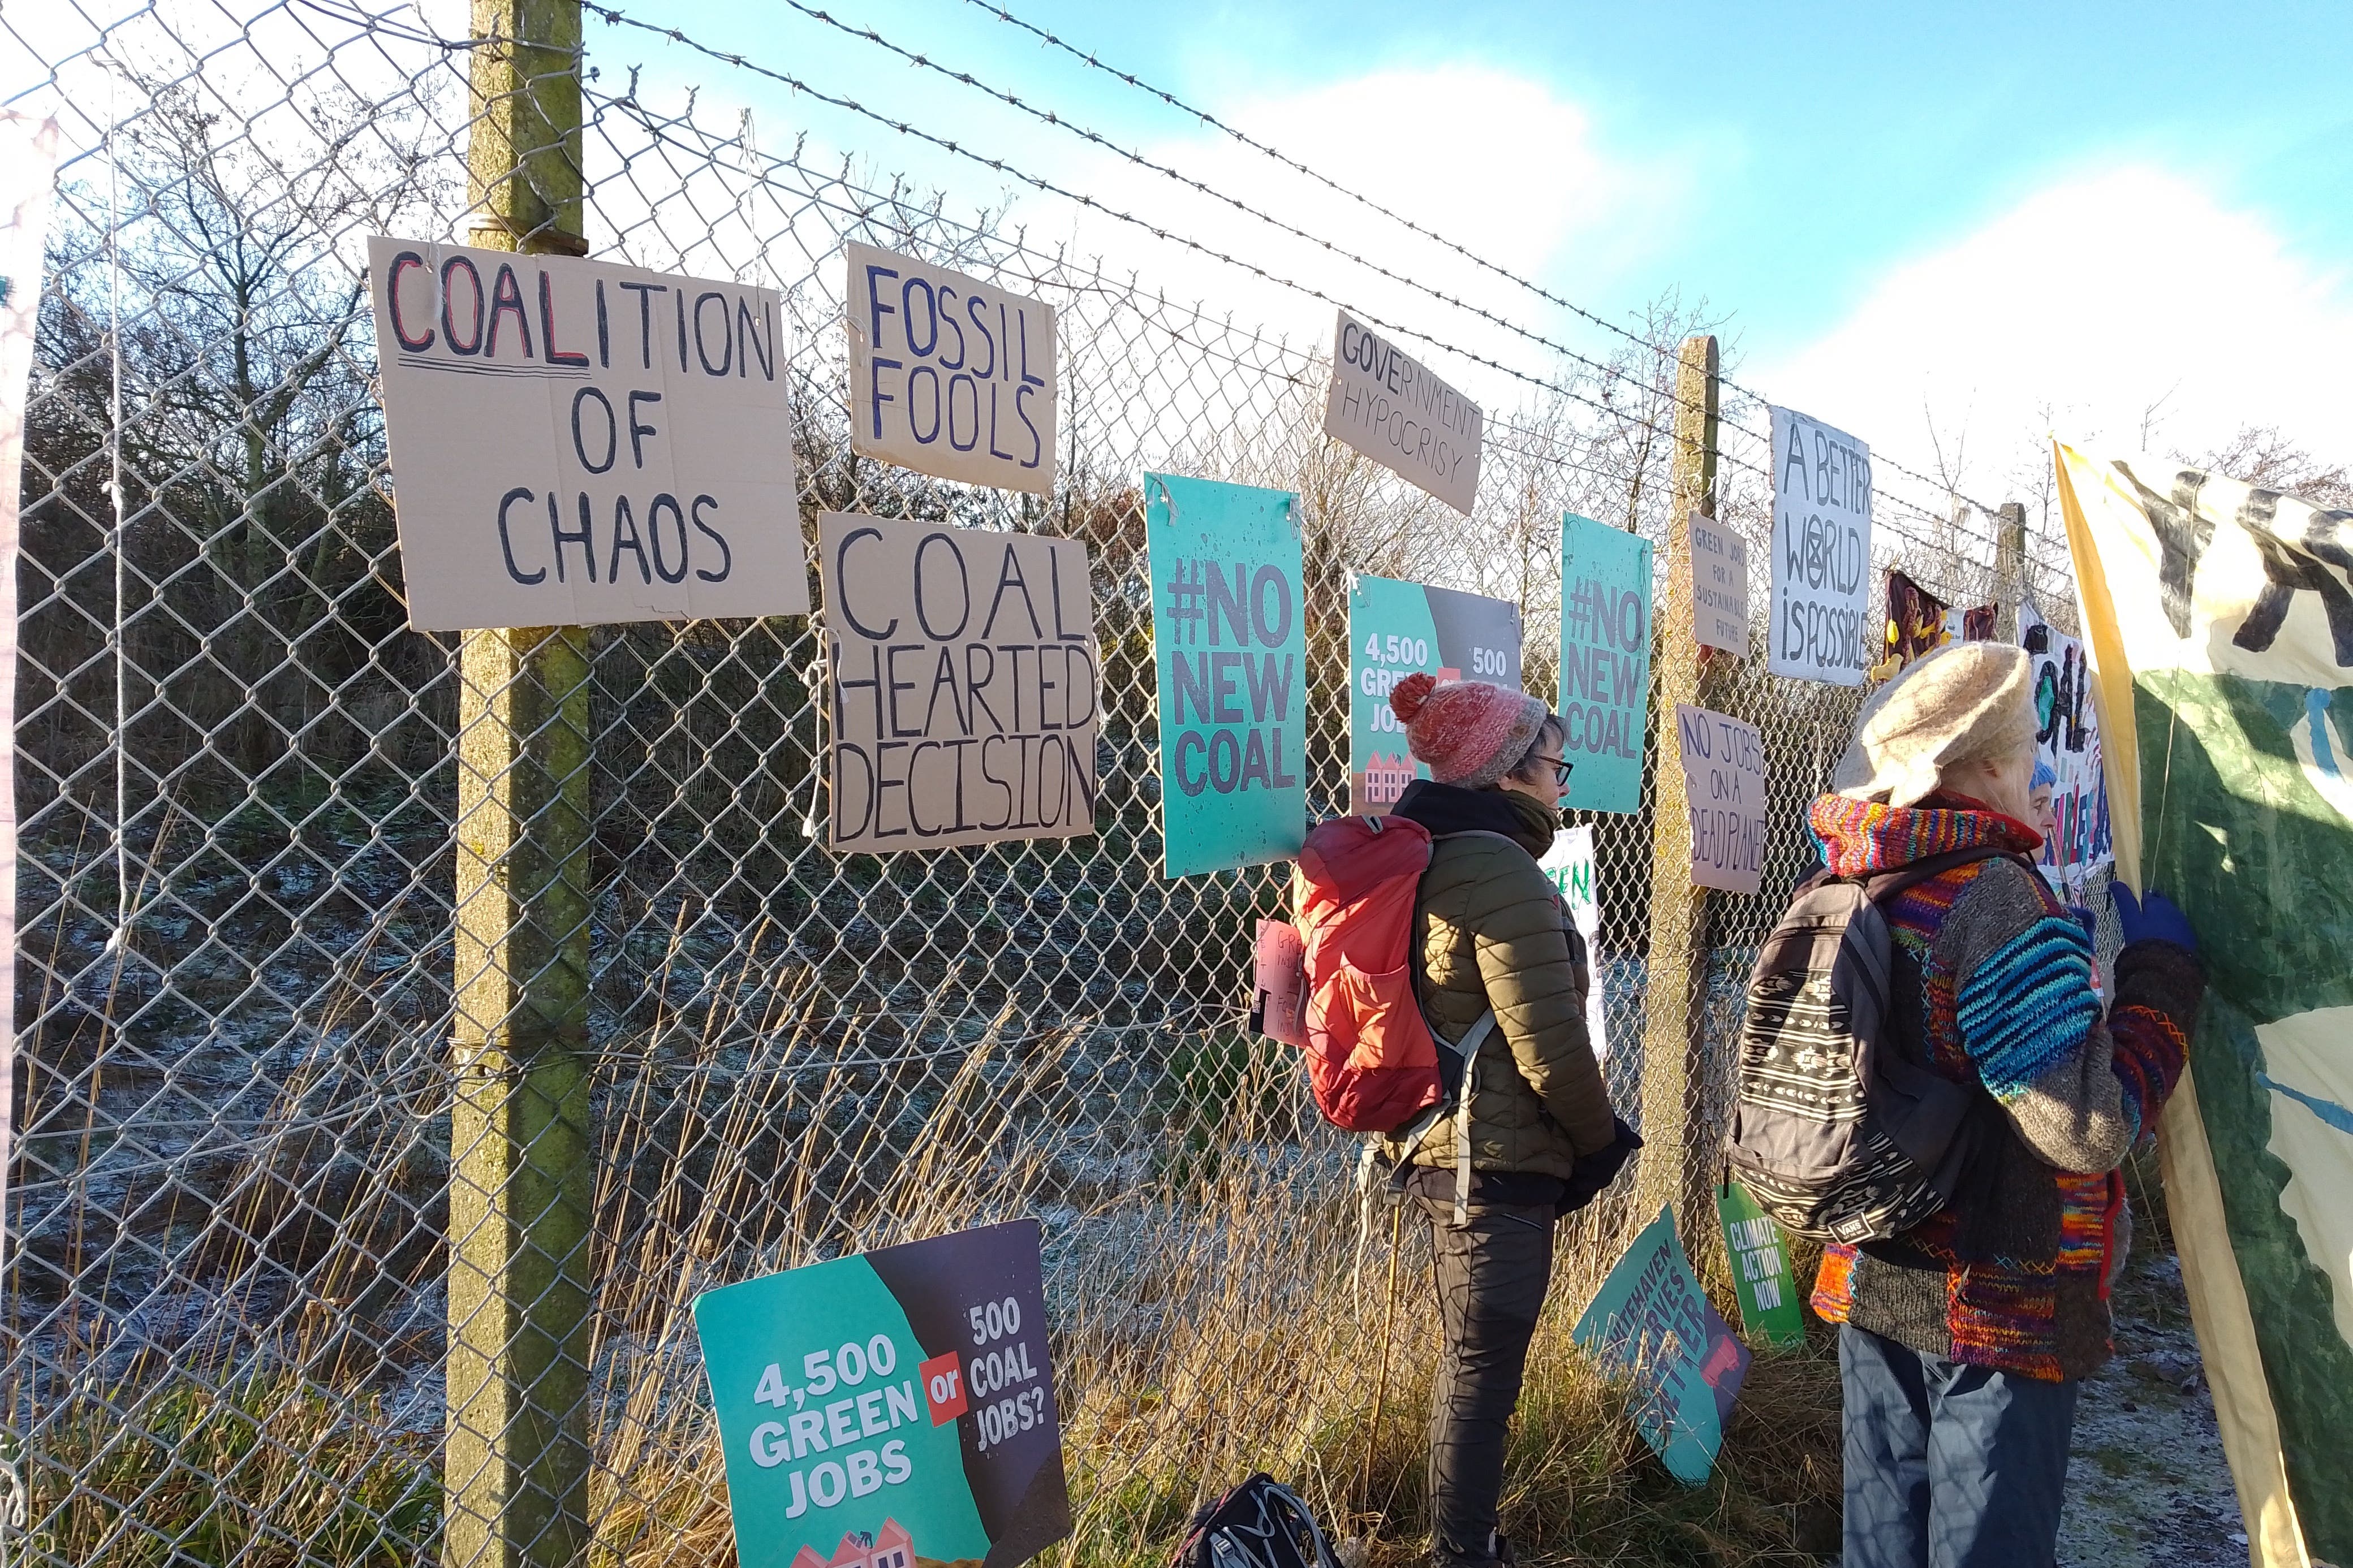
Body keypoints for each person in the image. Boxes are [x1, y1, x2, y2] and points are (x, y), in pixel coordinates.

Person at [1804, 643, 2204, 1568]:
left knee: (1882, 1546)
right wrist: (2160, 986)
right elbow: (2084, 1125)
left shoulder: (1853, 877)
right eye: (2029, 754)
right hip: (1995, 1301)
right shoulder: (1993, 899)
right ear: (1986, 766)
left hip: (1872, 1270)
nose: (2039, 776)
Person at [1377, 673, 1637, 1568]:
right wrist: (1602, 1139)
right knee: (1483, 1375)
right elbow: (1551, 1047)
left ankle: (1465, 1541)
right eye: (1556, 766)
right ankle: (1463, 1552)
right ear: (1507, 771)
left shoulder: (1436, 853)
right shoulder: (1499, 872)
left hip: (1446, 1151)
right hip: (1493, 1162)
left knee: (1472, 1364)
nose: (1564, 785)